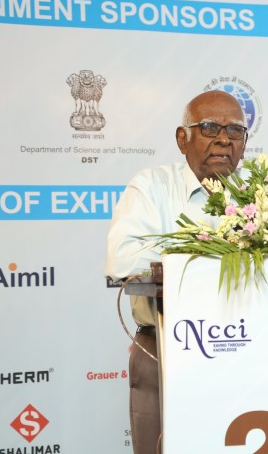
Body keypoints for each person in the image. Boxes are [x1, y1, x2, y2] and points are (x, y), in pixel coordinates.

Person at [104, 90, 248, 454]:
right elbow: (122, 259)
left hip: (250, 346)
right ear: (183, 139)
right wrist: (211, 255)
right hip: (166, 348)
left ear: (244, 144)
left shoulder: (260, 193)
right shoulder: (152, 186)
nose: (223, 139)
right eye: (210, 127)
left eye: (235, 131)